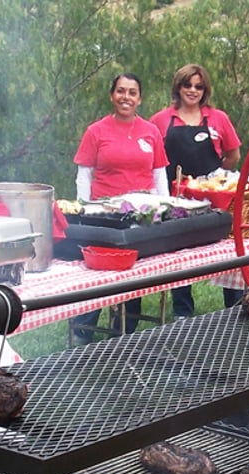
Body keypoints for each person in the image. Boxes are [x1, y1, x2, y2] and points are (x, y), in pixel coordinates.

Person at [69, 73, 170, 345]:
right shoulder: (96, 131)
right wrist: (85, 209)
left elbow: (159, 174)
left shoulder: (151, 132)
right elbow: (84, 174)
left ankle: (124, 333)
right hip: (104, 216)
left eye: (132, 92)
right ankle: (84, 331)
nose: (126, 97)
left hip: (141, 215)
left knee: (132, 273)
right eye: (121, 91)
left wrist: (166, 208)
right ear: (112, 95)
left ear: (140, 99)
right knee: (97, 274)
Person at [149, 64, 243, 317]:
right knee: (180, 253)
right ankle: (183, 312)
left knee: (227, 251)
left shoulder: (218, 118)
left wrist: (215, 179)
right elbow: (152, 158)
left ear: (205, 90)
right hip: (176, 197)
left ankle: (236, 305)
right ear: (178, 87)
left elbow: (233, 154)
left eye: (198, 86)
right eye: (187, 85)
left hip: (215, 196)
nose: (192, 90)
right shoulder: (160, 120)